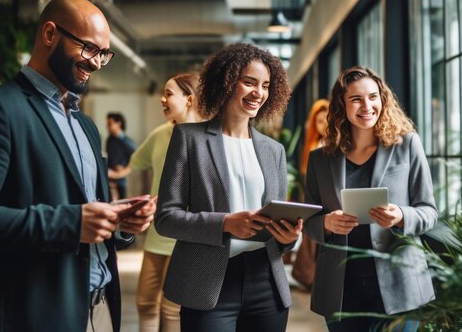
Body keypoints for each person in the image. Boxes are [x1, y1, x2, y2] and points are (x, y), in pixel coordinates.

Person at [0, 0, 156, 332]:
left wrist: (119, 222)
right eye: (89, 48)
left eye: (104, 53)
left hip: (100, 308)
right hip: (37, 313)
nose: (98, 63)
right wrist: (70, 223)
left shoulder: (86, 126)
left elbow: (87, 213)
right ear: (49, 34)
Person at [155, 43, 303, 332]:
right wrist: (225, 223)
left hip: (266, 281)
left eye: (265, 85)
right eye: (249, 82)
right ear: (226, 82)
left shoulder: (274, 151)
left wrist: (288, 236)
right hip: (209, 282)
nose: (258, 93)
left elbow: (280, 223)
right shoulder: (189, 139)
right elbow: (166, 218)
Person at [303, 66, 438, 332]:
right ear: (342, 104)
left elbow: (429, 211)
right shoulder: (320, 159)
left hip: (400, 285)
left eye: (373, 97)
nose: (367, 106)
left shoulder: (407, 144)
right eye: (356, 99)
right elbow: (309, 221)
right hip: (342, 289)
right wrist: (327, 224)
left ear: (382, 99)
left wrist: (401, 215)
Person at [127, 73, 204, 332]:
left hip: (187, 235)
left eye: (169, 94)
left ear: (189, 99)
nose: (162, 99)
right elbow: (134, 163)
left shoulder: (209, 138)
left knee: (172, 309)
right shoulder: (160, 135)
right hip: (157, 231)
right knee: (145, 302)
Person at [292, 98, 330, 289]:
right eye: (320, 121)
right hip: (315, 202)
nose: (324, 125)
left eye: (327, 120)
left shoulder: (330, 145)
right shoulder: (314, 146)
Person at [106, 112, 137, 201]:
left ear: (118, 123)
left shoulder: (128, 142)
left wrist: (122, 171)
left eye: (110, 123)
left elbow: (137, 159)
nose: (107, 126)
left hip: (121, 182)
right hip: (110, 181)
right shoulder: (110, 140)